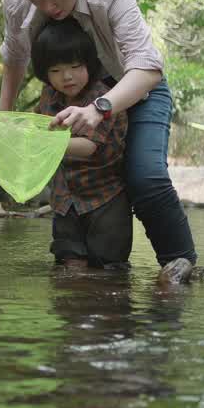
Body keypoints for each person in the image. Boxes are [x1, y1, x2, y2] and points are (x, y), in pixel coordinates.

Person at [0, 0, 196, 265]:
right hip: (70, 97)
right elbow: (14, 58)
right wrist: (3, 117)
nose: (48, 6)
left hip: (136, 91)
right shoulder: (15, 1)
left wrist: (99, 108)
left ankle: (180, 268)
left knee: (146, 179)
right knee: (74, 181)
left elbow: (148, 68)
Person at [32, 19, 131, 268]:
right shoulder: (48, 97)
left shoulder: (103, 97)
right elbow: (37, 127)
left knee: (109, 269)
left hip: (106, 198)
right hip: (65, 199)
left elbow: (89, 147)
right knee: (69, 265)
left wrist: (45, 142)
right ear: (45, 74)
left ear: (89, 63)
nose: (67, 77)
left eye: (75, 66)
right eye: (55, 71)